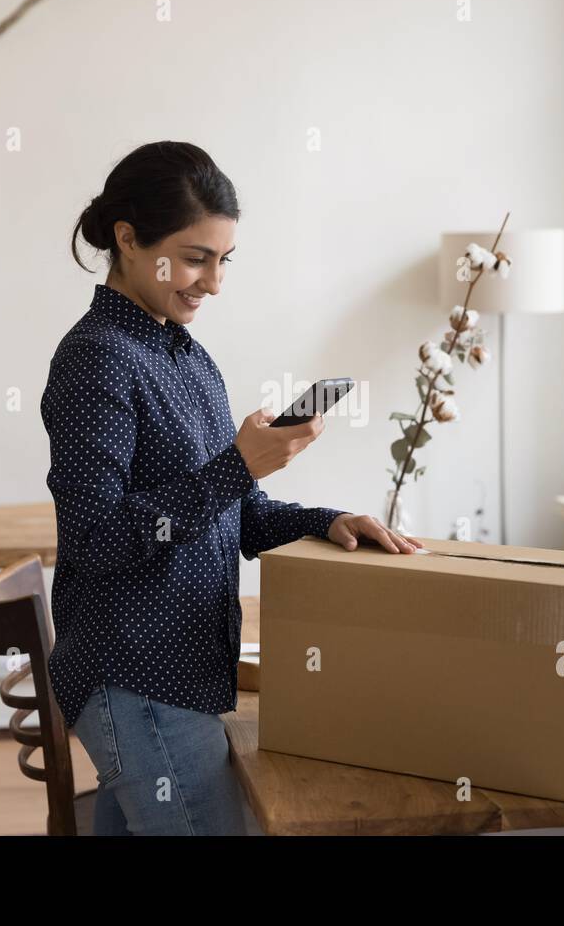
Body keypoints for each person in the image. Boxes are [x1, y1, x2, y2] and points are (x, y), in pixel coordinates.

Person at [42, 140, 421, 835]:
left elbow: (236, 517)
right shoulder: (97, 361)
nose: (213, 282)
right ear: (128, 240)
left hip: (178, 672)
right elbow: (96, 542)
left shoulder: (186, 356)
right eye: (194, 257)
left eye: (224, 260)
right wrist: (236, 465)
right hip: (133, 676)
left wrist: (326, 520)